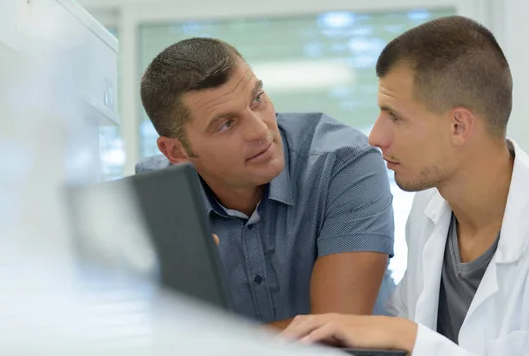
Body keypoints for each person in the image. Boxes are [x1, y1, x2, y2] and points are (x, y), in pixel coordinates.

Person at [281, 15, 529, 356]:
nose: (375, 137)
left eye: (395, 116)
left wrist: (408, 339)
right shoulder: (430, 206)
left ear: (459, 126)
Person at [135, 37, 395, 329]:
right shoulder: (154, 200)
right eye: (226, 124)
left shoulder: (344, 161)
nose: (260, 131)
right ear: (176, 152)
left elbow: (333, 330)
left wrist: (206, 344)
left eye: (256, 100)